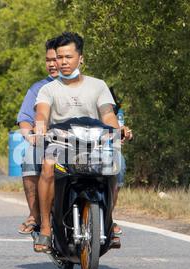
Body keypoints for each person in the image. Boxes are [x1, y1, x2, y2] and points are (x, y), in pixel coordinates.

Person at [33, 32, 132, 252]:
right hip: (62, 145)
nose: (63, 62)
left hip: (93, 146)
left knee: (116, 164)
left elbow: (108, 116)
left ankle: (109, 219)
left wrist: (119, 130)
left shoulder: (98, 86)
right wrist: (40, 125)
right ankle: (47, 230)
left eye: (68, 56)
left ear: (81, 58)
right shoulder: (48, 89)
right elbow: (41, 113)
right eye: (59, 57)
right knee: (47, 165)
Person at [16, 38, 58, 234]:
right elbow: (25, 118)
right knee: (30, 155)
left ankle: (107, 218)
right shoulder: (38, 88)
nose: (52, 64)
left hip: (80, 143)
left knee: (116, 161)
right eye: (48, 60)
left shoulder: (87, 85)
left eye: (57, 59)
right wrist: (30, 136)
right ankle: (35, 214)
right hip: (47, 143)